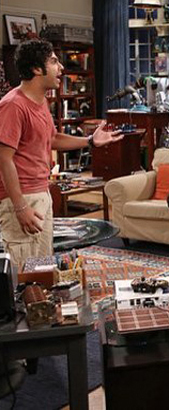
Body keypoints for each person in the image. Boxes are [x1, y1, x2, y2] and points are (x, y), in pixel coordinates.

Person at [0, 39, 122, 270]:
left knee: (42, 268)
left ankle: (39, 294)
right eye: (54, 62)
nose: (62, 68)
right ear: (36, 69)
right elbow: (3, 159)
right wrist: (20, 207)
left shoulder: (41, 102)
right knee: (22, 269)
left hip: (41, 192)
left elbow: (53, 138)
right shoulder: (13, 105)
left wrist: (90, 141)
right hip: (22, 197)